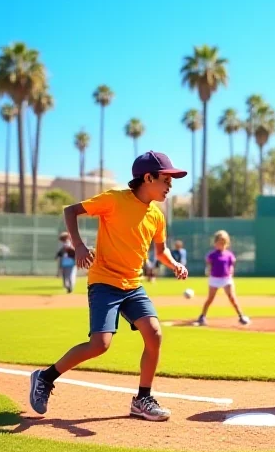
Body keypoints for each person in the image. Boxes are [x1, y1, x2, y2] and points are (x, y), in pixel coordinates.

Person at [29, 151, 188, 422]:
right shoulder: (114, 200)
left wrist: (173, 264)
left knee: (154, 335)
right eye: (166, 179)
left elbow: (160, 252)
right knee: (100, 345)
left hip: (133, 285)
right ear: (147, 178)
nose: (170, 185)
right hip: (105, 282)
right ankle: (45, 377)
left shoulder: (157, 216)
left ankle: (143, 399)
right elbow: (71, 210)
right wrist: (78, 244)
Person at [196, 230, 250, 326]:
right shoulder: (212, 255)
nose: (221, 244)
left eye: (224, 242)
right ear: (215, 243)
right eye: (219, 242)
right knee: (210, 299)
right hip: (214, 279)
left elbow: (231, 265)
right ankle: (202, 316)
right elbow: (209, 265)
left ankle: (241, 316)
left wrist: (231, 271)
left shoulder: (229, 254)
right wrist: (208, 270)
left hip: (226, 278)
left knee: (232, 298)